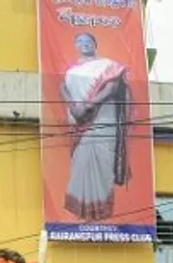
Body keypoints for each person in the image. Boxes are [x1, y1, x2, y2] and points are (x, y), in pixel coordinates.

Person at [61, 32, 131, 221]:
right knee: (81, 161)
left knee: (103, 161)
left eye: (88, 41)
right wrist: (75, 108)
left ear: (95, 44)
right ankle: (80, 210)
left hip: (103, 119)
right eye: (80, 41)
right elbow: (64, 89)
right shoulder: (71, 71)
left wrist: (91, 104)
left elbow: (113, 87)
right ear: (76, 45)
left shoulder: (108, 65)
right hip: (80, 123)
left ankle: (101, 211)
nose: (85, 44)